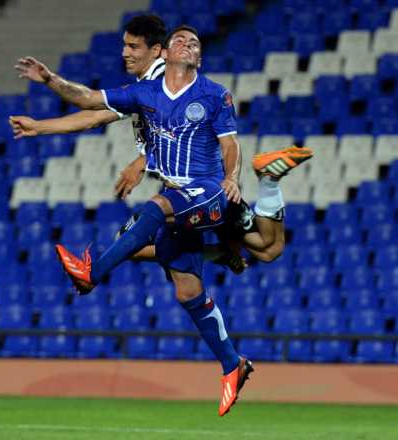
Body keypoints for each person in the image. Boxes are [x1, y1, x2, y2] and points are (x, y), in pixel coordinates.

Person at [13, 25, 254, 417]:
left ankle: (92, 273)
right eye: (182, 39)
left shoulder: (213, 94)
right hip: (181, 199)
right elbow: (90, 103)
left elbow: (230, 143)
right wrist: (49, 83)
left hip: (209, 192)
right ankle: (232, 365)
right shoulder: (144, 93)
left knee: (156, 208)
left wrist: (231, 178)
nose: (188, 44)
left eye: (194, 42)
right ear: (167, 50)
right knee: (187, 292)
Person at [12, 16, 312, 271]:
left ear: (157, 51)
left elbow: (173, 127)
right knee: (262, 250)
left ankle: (265, 187)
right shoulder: (145, 87)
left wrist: (143, 160)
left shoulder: (163, 81)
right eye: (124, 45)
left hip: (197, 190)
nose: (124, 53)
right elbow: (94, 114)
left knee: (266, 249)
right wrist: (40, 127)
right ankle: (227, 242)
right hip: (181, 189)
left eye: (132, 47)